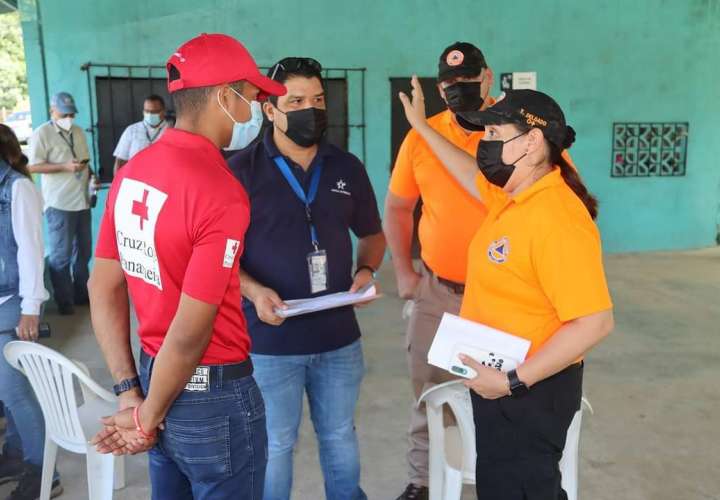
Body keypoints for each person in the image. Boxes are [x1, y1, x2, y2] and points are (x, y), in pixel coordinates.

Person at [87, 33, 286, 500]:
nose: (257, 111)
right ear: (224, 96)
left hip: (154, 377)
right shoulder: (218, 189)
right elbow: (191, 331)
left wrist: (131, 393)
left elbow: (102, 286)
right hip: (212, 398)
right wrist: (146, 417)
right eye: (254, 98)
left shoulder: (133, 172)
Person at [399, 77, 614, 499]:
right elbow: (463, 170)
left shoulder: (557, 218)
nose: (484, 143)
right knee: (505, 486)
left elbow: (595, 322)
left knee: (523, 488)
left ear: (532, 142)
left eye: (495, 134)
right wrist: (422, 128)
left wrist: (513, 381)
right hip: (502, 378)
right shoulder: (515, 196)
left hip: (530, 390)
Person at [228, 57, 385, 500]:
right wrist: (255, 292)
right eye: (295, 101)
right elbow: (222, 257)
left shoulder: (346, 167)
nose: (310, 110)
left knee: (339, 436)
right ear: (269, 109)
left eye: (318, 100)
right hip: (270, 342)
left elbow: (372, 234)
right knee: (275, 445)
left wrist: (366, 269)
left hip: (338, 339)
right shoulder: (241, 172)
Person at [384, 41, 495, 500]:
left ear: (487, 78)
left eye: (468, 80)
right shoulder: (421, 136)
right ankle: (422, 481)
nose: (458, 88)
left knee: (505, 393)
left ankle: (502, 478)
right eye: (449, 82)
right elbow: (397, 206)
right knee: (431, 393)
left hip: (506, 300)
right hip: (440, 293)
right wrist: (404, 272)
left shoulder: (519, 133)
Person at [0, 124, 63, 499]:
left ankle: (44, 474)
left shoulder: (17, 188)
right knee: (5, 394)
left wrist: (31, 308)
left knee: (16, 393)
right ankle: (15, 454)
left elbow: (30, 251)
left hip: (11, 304)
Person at [28, 91, 95, 315]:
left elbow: (85, 159)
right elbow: (33, 167)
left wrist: (90, 174)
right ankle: (65, 302)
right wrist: (64, 167)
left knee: (84, 253)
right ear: (52, 111)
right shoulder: (42, 134)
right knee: (60, 256)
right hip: (59, 204)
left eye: (71, 113)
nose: (69, 117)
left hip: (82, 200)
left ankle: (81, 295)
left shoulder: (77, 131)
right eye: (64, 113)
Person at [113, 94, 169, 173]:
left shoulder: (172, 130)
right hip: (135, 180)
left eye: (154, 112)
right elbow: (120, 161)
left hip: (162, 180)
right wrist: (117, 183)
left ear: (163, 111)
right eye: (147, 111)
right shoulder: (131, 130)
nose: (150, 115)